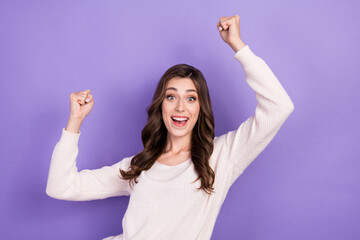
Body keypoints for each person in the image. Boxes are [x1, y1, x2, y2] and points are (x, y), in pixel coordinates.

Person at [46, 15, 295, 240]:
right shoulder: (139, 166)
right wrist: (75, 122)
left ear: (201, 108)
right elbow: (61, 187)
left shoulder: (221, 157)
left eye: (191, 98)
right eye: (171, 96)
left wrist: (238, 46)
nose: (180, 107)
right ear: (161, 105)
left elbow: (279, 107)